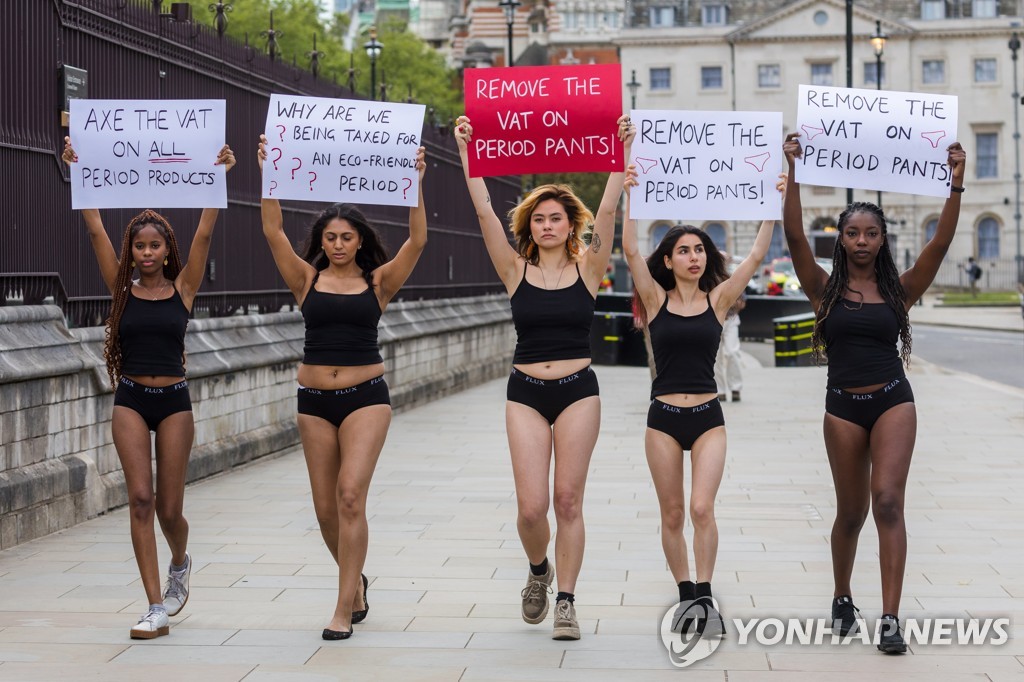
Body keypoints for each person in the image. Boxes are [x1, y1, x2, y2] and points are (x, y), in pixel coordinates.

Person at [783, 132, 966, 654]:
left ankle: (890, 618)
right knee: (850, 514)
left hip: (892, 398)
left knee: (888, 502)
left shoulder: (901, 289)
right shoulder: (823, 288)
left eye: (871, 233)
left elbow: (940, 244)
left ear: (882, 240)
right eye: (853, 233)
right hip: (841, 406)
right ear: (840, 239)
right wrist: (792, 169)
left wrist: (954, 182)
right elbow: (795, 238)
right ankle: (842, 596)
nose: (862, 240)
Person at [454, 114, 633, 640]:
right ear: (529, 226)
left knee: (567, 501)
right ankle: (539, 572)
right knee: (532, 508)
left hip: (579, 390)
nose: (548, 225)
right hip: (525, 392)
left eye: (556, 218)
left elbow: (607, 206)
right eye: (539, 219)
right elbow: (483, 209)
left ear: (569, 225)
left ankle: (568, 603)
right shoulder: (514, 270)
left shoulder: (590, 268)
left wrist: (622, 153)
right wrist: (469, 152)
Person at [62, 137, 235, 639]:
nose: (146, 253)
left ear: (166, 250)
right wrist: (78, 167)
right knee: (140, 498)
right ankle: (155, 606)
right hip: (132, 398)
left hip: (174, 402)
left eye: (155, 245)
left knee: (169, 509)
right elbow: (93, 224)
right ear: (130, 250)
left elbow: (204, 232)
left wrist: (220, 173)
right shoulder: (121, 288)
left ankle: (180, 558)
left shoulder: (183, 288)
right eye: (139, 246)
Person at [257, 135, 427, 640]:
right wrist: (270, 172)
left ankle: (341, 607)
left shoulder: (378, 283)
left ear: (359, 241)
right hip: (312, 402)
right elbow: (272, 230)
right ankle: (356, 582)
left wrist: (415, 184)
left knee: (351, 495)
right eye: (329, 236)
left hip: (365, 398)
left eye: (346, 237)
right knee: (325, 507)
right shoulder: (305, 279)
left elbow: (417, 243)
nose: (336, 244)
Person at [623, 165, 784, 632]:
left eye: (699, 250)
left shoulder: (718, 300)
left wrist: (773, 202)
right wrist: (631, 196)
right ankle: (685, 595)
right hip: (664, 419)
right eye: (683, 251)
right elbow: (631, 249)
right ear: (669, 260)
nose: (693, 257)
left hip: (709, 416)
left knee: (701, 509)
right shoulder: (654, 299)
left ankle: (707, 597)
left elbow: (756, 255)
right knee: (672, 512)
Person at [715, 252, 745, 403]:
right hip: (714, 319)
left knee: (732, 352)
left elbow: (742, 301)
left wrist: (730, 303)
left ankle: (735, 387)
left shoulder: (734, 278)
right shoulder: (709, 278)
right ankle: (719, 390)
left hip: (731, 319)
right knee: (716, 356)